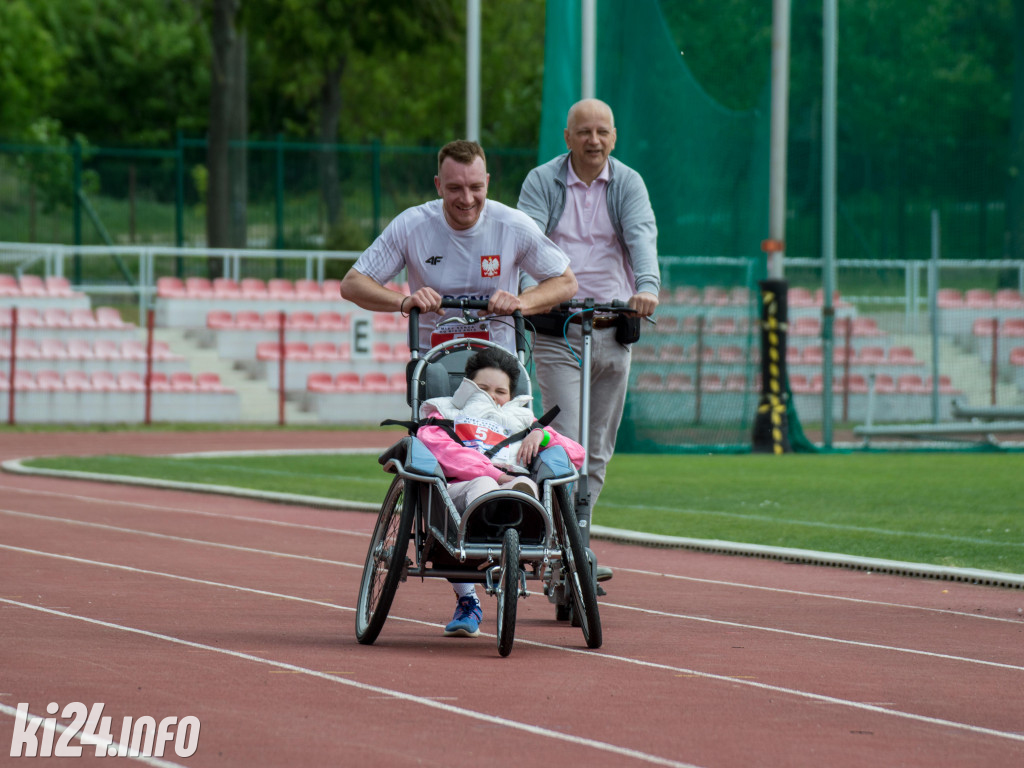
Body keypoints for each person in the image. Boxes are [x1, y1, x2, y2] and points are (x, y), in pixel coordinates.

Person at [517, 98, 660, 585]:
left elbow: (642, 236)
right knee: (567, 447)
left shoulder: (628, 183)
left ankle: (575, 546)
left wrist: (647, 288)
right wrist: (533, 294)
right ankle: (559, 551)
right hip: (559, 332)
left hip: (613, 330)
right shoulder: (543, 181)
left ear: (613, 138)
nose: (593, 140)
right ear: (568, 137)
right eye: (584, 132)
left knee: (597, 451)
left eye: (602, 132)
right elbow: (528, 236)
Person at [340, 139, 577, 352]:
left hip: (497, 363)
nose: (467, 199)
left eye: (475, 187)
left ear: (487, 182)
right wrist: (404, 302)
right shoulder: (412, 225)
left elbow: (566, 282)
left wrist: (521, 302)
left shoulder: (512, 225)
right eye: (455, 188)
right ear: (438, 185)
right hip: (433, 361)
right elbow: (352, 284)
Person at [417, 347, 585, 637]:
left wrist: (542, 434)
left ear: (511, 394)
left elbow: (577, 455)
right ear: (467, 388)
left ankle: (520, 534)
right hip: (458, 492)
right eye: (482, 389)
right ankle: (470, 595)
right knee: (485, 485)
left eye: (500, 391)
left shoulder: (524, 420)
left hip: (514, 491)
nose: (493, 396)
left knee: (529, 487)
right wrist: (495, 474)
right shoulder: (445, 412)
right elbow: (439, 449)